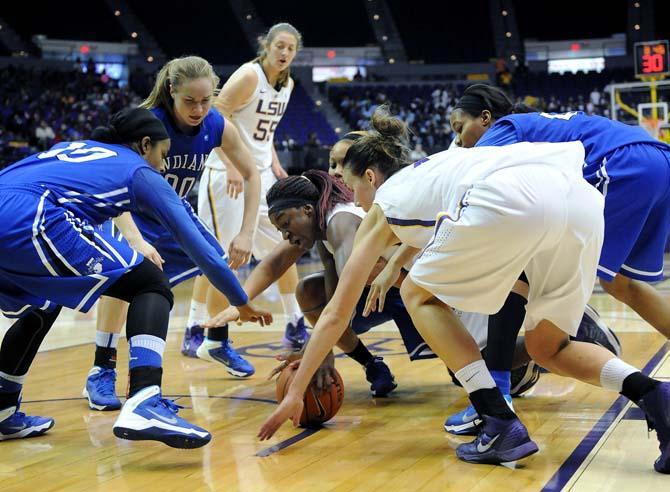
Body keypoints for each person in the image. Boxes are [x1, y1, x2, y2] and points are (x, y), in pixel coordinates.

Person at [255, 107, 670, 472]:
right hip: (578, 199)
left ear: (370, 176)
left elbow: (335, 313)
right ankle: (654, 395)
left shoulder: (385, 204)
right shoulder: (437, 169)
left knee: (419, 294)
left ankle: (498, 421)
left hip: (511, 199)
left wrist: (296, 390)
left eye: (353, 187)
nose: (355, 199)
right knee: (549, 347)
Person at [0, 108, 271, 446]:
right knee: (150, 282)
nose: (162, 165)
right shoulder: (139, 170)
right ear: (145, 145)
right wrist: (241, 302)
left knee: (43, 303)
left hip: (7, 204)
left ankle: (3, 408)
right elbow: (203, 252)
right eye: (163, 155)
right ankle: (145, 399)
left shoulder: (75, 148)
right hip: (34, 214)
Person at [446, 83, 670, 433]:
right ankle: (559, 339)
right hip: (656, 159)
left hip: (617, 162)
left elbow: (451, 190)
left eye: (460, 129)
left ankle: (498, 394)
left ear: (486, 119)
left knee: (515, 271)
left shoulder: (501, 134)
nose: (458, 141)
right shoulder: (533, 131)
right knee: (622, 284)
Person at [84, 56, 262, 412]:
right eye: (189, 101)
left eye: (205, 100)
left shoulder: (217, 124)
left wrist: (246, 232)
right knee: (123, 280)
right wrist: (135, 239)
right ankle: (101, 367)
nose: (198, 109)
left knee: (216, 259)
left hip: (173, 210)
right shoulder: (146, 121)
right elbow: (111, 180)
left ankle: (215, 338)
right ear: (171, 92)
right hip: (128, 211)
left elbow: (252, 174)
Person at [207, 170, 438, 395]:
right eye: (280, 230)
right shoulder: (320, 225)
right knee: (309, 292)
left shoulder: (340, 224)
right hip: (381, 292)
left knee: (461, 370)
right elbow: (274, 264)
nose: (285, 236)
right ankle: (372, 365)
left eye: (285, 224)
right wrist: (239, 303)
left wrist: (316, 352)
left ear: (307, 210)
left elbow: (343, 305)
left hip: (422, 288)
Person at [191, 23, 308, 361]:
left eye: (291, 49)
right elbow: (213, 118)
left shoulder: (287, 85)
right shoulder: (249, 76)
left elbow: (264, 133)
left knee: (285, 246)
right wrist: (229, 164)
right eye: (279, 46)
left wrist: (273, 164)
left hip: (259, 176)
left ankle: (296, 321)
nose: (284, 53)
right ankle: (199, 328)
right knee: (221, 256)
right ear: (267, 46)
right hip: (225, 173)